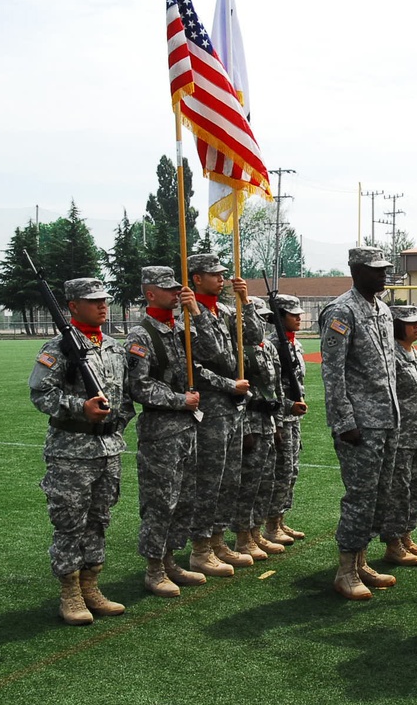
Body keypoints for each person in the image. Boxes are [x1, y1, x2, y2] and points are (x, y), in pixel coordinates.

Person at [29, 277, 135, 625]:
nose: (102, 306)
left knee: (99, 521)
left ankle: (91, 586)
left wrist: (114, 425)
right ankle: (70, 593)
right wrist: (80, 407)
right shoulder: (58, 349)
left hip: (108, 448)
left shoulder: (114, 347)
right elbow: (41, 394)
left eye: (104, 300)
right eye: (93, 301)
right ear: (73, 306)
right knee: (69, 522)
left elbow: (125, 397)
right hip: (71, 451)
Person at [126, 266, 220, 597]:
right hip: (161, 429)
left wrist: (196, 311)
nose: (175, 294)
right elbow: (139, 386)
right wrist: (181, 400)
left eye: (178, 289)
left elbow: (213, 352)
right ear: (150, 293)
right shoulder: (141, 336)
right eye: (169, 290)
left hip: (187, 429)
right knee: (160, 501)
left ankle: (171, 560)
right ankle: (154, 568)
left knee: (185, 499)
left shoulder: (181, 327)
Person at [319, 246, 401, 600]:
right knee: (360, 497)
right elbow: (332, 372)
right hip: (360, 425)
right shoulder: (342, 311)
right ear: (355, 270)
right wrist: (344, 420)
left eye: (385, 269)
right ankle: (345, 570)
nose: (383, 275)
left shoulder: (382, 310)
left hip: (386, 419)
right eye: (375, 270)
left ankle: (362, 560)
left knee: (381, 496)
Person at [186, 253, 263, 576]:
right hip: (212, 405)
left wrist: (245, 301)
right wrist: (229, 384)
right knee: (209, 480)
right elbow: (202, 360)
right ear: (196, 278)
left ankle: (218, 540)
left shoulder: (227, 311)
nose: (221, 279)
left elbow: (255, 337)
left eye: (222, 274)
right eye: (213, 274)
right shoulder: (188, 315)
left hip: (232, 405)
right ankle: (200, 548)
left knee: (230, 479)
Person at [379, 305, 417, 567]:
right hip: (400, 438)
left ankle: (407, 536)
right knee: (397, 492)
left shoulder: (415, 354)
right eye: (410, 322)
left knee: (416, 490)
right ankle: (393, 543)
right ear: (396, 325)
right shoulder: (391, 356)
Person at [233, 297, 287, 560]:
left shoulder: (268, 349)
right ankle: (243, 538)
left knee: (265, 481)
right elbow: (238, 395)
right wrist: (244, 428)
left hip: (267, 420)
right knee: (249, 484)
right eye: (258, 318)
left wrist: (276, 424)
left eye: (264, 318)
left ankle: (256, 532)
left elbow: (274, 389)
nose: (262, 323)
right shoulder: (239, 350)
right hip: (250, 420)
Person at [262, 293, 308, 543]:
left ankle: (279, 520)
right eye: (293, 314)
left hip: (293, 418)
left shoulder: (293, 343)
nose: (299, 318)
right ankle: (271, 524)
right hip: (280, 417)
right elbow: (271, 386)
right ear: (279, 318)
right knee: (280, 471)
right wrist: (288, 406)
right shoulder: (274, 345)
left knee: (291, 470)